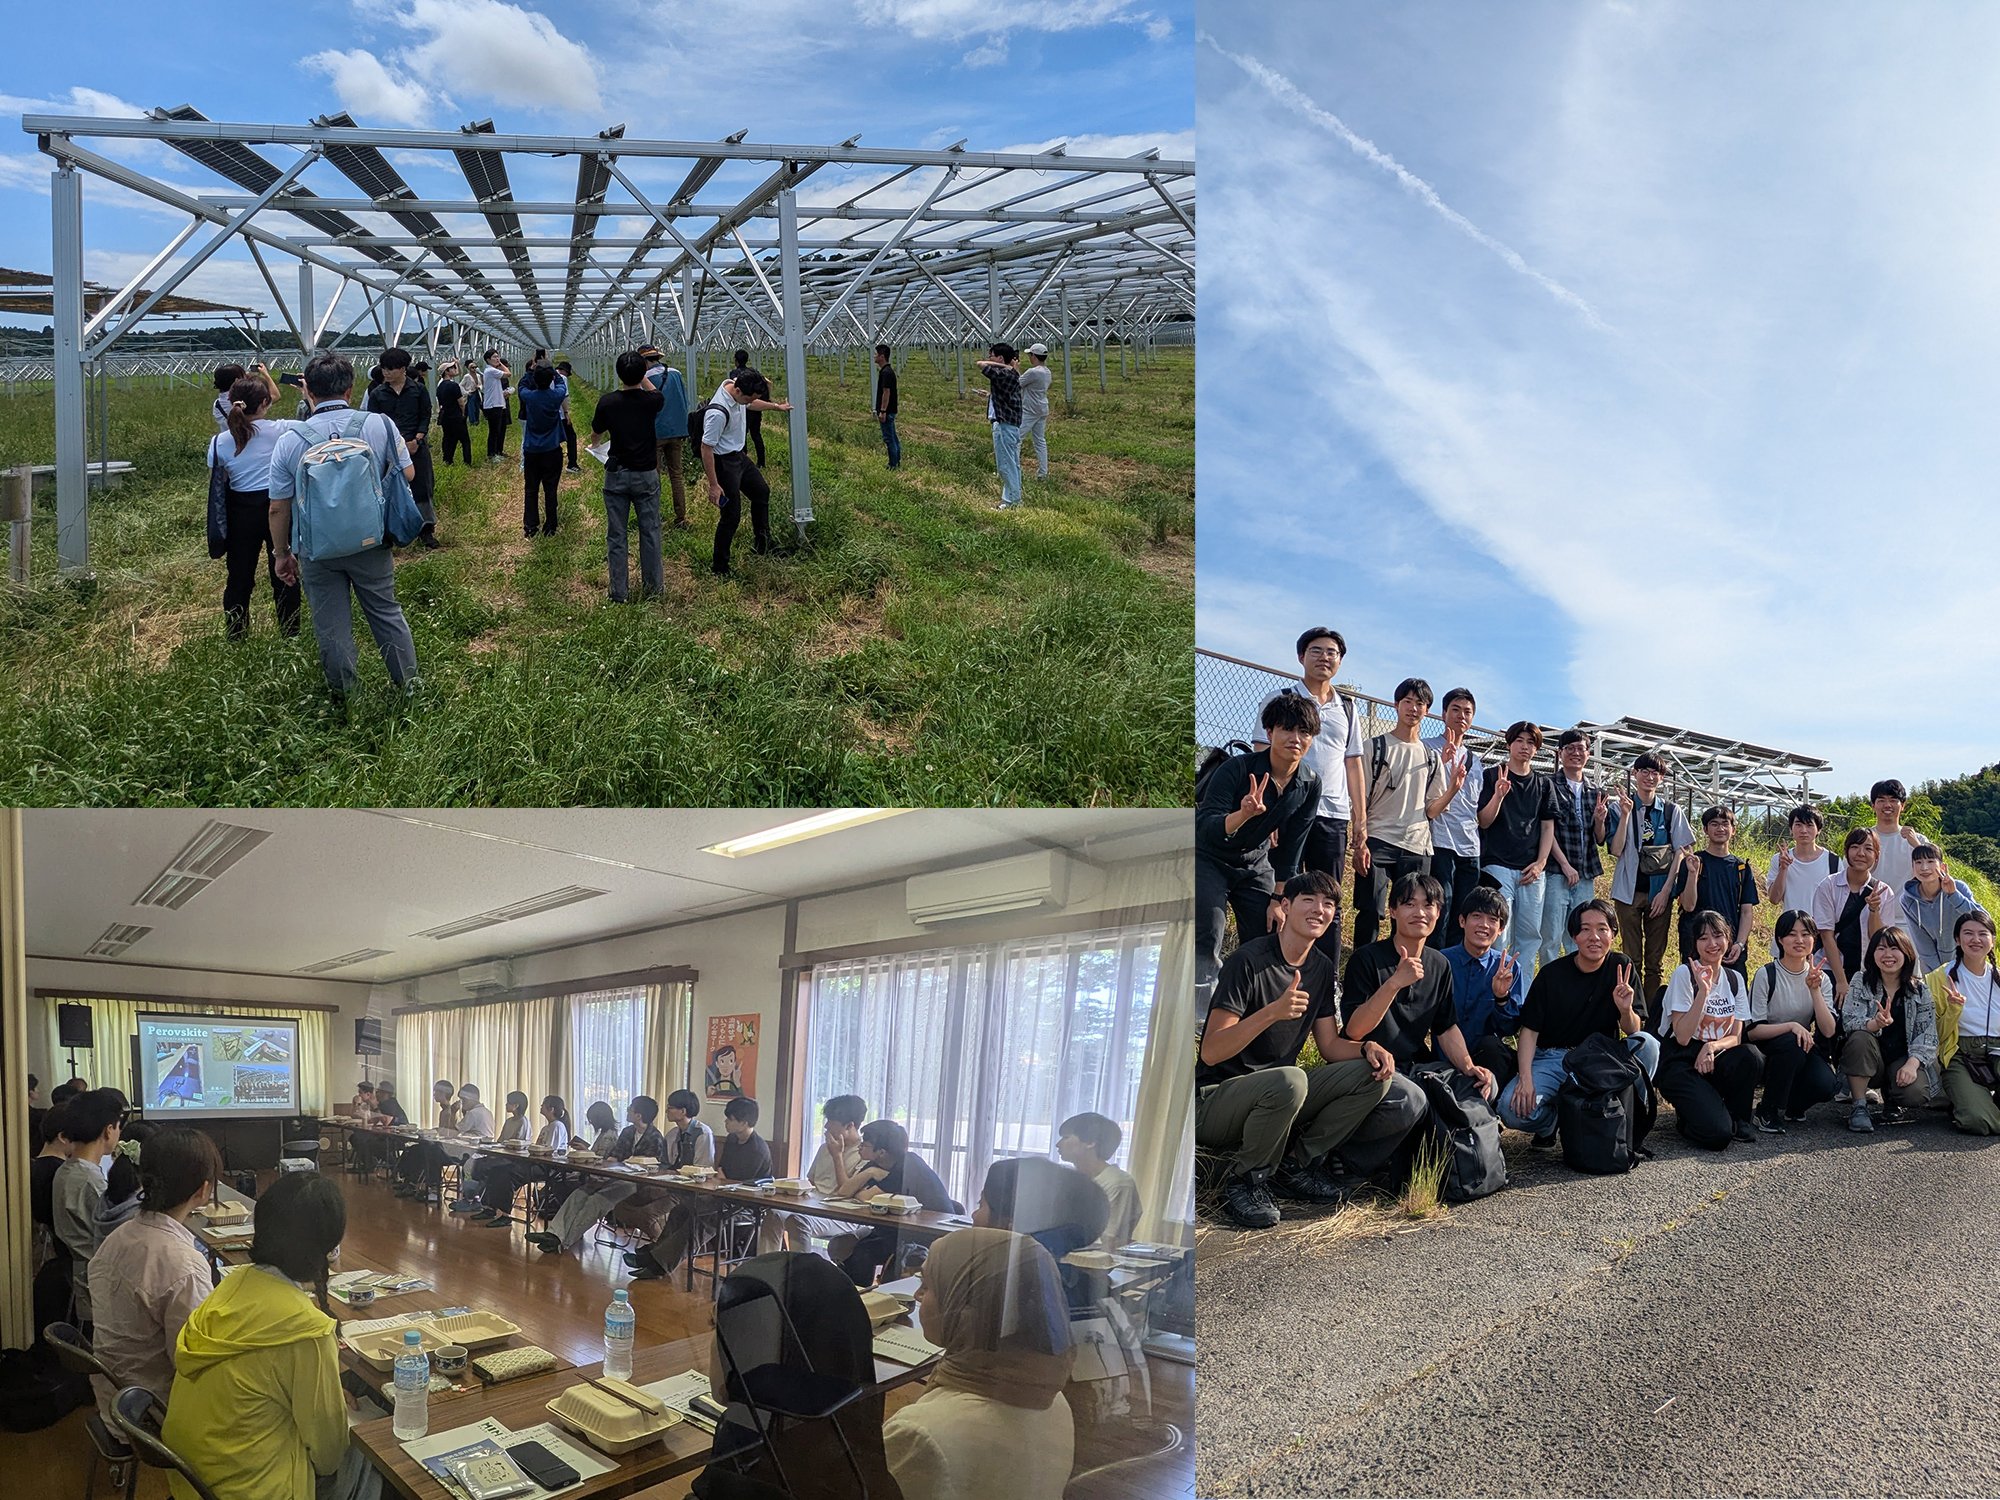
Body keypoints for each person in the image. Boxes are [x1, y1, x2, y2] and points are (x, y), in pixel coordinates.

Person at [164, 1172, 383, 1500]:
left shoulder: (227, 1290)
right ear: (329, 1244)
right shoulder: (306, 1330)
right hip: (259, 1489)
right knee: (379, 1447)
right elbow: (328, 1456)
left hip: (191, 1480)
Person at [1196, 870, 1395, 1228]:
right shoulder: (1248, 961)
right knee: (1290, 1080)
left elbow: (1330, 1046)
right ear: (1285, 907)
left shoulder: (1321, 967)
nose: (1319, 909)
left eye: (1329, 903)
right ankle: (1246, 1180)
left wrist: (1367, 1047)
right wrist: (1272, 1013)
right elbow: (1211, 1051)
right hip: (1217, 1098)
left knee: (1372, 1076)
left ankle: (1295, 1166)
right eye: (1309, 900)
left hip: (1280, 1095)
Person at [267, 354, 420, 699]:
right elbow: (407, 473)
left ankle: (347, 696)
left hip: (316, 548)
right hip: (371, 539)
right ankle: (409, 685)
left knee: (331, 625)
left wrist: (282, 554)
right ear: (351, 389)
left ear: (308, 391)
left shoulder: (291, 439)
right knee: (385, 611)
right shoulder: (379, 424)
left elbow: (278, 506)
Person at [884, 1229, 1075, 1500]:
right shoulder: (1055, 1403)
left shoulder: (920, 1433)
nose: (917, 1295)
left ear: (965, 1308)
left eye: (927, 1286)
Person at [1341, 872, 1499, 1176]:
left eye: (1429, 905)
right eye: (1409, 904)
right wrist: (1394, 983)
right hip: (1368, 1064)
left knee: (1476, 1087)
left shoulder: (1438, 964)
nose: (1420, 913)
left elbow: (1445, 1027)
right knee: (1411, 1099)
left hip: (1414, 1066)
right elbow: (1354, 1030)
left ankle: (1435, 1165)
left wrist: (1468, 1066)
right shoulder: (1368, 959)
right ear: (1393, 911)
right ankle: (1349, 1160)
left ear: (1439, 914)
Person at [1194, 692, 1322, 1003]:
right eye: (1286, 729)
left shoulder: (1309, 782)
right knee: (1208, 930)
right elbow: (1207, 827)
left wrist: (1279, 897)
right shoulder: (1236, 769)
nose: (1295, 738)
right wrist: (1244, 813)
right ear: (1269, 732)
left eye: (1304, 732)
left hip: (1255, 863)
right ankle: (1199, 1012)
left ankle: (1249, 1003)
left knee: (1265, 933)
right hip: (1207, 857)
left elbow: (1294, 845)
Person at [1496, 900, 1661, 1140]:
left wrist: (1625, 1010)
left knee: (1648, 1043)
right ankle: (1561, 1122)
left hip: (1601, 1058)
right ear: (1574, 936)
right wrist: (1526, 1079)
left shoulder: (1621, 967)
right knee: (1511, 1109)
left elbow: (1633, 1029)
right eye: (1585, 929)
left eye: (1602, 929)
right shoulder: (1551, 975)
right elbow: (1529, 1032)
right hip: (1554, 1058)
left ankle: (1624, 1116)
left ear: (1613, 934)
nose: (1594, 937)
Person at [1251, 627, 1366, 966]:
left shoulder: (1348, 707)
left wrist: (1360, 818)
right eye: (1316, 651)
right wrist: (1266, 812)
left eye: (1331, 652)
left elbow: (1353, 762)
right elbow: (1260, 752)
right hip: (1284, 811)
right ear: (1301, 657)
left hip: (1332, 814)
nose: (1324, 658)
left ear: (1340, 661)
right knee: (1276, 892)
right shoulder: (1280, 698)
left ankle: (1325, 978)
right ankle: (1269, 970)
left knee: (1327, 899)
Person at [88, 1127, 220, 1421]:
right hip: (154, 1409)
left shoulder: (119, 1237)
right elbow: (193, 1361)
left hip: (115, 1397)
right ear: (203, 1190)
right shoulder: (183, 1265)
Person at [1352, 679, 1455, 950]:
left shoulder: (1431, 757)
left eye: (1420, 703)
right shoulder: (1374, 747)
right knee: (1370, 912)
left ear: (1428, 710)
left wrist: (1454, 788)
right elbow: (1360, 799)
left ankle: (1404, 975)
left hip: (1417, 845)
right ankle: (1362, 974)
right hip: (1378, 839)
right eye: (1407, 701)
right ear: (1396, 705)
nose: (1413, 708)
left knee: (1411, 918)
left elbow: (1432, 809)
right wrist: (1359, 841)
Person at [627, 1095, 772, 1280]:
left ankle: (659, 1264)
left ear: (743, 1123)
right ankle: (654, 1255)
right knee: (681, 1209)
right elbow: (721, 1169)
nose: (725, 1122)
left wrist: (725, 1179)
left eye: (730, 1119)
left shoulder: (758, 1149)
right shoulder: (732, 1140)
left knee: (703, 1220)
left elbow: (741, 1184)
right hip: (724, 1195)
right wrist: (724, 1179)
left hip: (745, 1204)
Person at [1653, 912, 1765, 1148]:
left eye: (1718, 936)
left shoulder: (1734, 979)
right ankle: (1690, 1118)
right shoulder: (1685, 975)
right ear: (1694, 944)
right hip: (1681, 1061)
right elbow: (1682, 1037)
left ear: (1728, 939)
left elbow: (1735, 1036)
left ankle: (1738, 1117)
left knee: (1750, 1055)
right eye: (1703, 938)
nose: (1712, 944)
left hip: (1713, 1055)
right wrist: (1702, 993)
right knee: (1718, 1136)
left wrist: (1711, 1046)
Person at [207, 374, 301, 640]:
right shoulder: (283, 429)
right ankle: (291, 633)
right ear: (264, 402)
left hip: (240, 511)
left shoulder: (220, 442)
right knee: (286, 572)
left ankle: (237, 635)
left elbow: (219, 480)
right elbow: (315, 425)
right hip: (279, 506)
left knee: (239, 576)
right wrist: (307, 393)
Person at [1605, 753, 1696, 1018]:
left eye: (1655, 772)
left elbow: (1684, 849)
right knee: (1630, 958)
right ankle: (1633, 1014)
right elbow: (1616, 849)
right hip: (1628, 892)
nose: (1649, 776)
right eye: (1644, 771)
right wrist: (1624, 816)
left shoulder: (1670, 811)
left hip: (1660, 893)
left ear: (1662, 777)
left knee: (1654, 962)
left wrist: (1667, 890)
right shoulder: (1620, 807)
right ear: (1635, 774)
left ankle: (1653, 1017)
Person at [527, 1095, 665, 1254]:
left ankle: (562, 1241)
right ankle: (552, 1233)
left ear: (639, 1115)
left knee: (596, 1201)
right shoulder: (628, 1132)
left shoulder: (655, 1137)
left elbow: (650, 1167)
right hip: (615, 1176)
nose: (627, 1111)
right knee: (579, 1194)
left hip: (634, 1183)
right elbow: (615, 1156)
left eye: (630, 1109)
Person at [583, 349, 669, 603]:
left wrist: (596, 444)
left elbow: (596, 433)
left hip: (617, 474)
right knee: (650, 531)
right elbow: (654, 392)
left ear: (618, 374)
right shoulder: (651, 402)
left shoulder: (608, 402)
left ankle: (619, 592)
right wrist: (642, 375)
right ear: (643, 373)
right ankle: (654, 589)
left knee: (617, 534)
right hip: (645, 474)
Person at [1477, 721, 1557, 987]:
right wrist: (1499, 795)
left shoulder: (1544, 785)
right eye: (1520, 741)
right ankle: (1492, 989)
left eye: (1531, 742)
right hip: (1497, 865)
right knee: (1499, 933)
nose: (1525, 747)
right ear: (1509, 743)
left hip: (1532, 869)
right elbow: (1484, 821)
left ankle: (1519, 995)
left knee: (1529, 935)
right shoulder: (1491, 776)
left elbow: (1548, 827)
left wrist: (1541, 863)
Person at [1744, 911, 1840, 1132]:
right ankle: (1767, 1111)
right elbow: (1753, 1032)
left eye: (1805, 934)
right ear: (1780, 939)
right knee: (1791, 1042)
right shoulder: (1767, 974)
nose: (1799, 940)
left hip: (1800, 1046)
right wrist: (1792, 1026)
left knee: (1827, 1084)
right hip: (1768, 1047)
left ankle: (1791, 1106)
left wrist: (1814, 991)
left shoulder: (1821, 978)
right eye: (1791, 934)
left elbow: (1828, 1030)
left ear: (1813, 939)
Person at [1841, 925, 1942, 1133]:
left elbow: (1928, 1035)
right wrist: (1874, 1024)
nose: (1888, 955)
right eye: (1881, 948)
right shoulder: (1861, 981)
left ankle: (1891, 1096)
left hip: (1901, 1059)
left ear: (1906, 953)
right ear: (1872, 954)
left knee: (1915, 1094)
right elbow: (1849, 1021)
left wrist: (1913, 1065)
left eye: (1894, 948)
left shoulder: (1919, 989)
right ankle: (1859, 1106)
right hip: (1870, 1060)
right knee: (1860, 1037)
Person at [840, 1120, 961, 1286]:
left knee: (863, 1252)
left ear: (881, 1152)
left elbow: (867, 1197)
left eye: (865, 1145)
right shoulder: (876, 1163)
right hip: (895, 1229)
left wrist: (863, 1188)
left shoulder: (908, 1166)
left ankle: (858, 1300)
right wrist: (870, 1172)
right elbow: (844, 1192)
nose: (860, 1147)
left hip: (922, 1236)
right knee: (850, 1245)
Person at [700, 365, 794, 576]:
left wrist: (775, 406)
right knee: (731, 516)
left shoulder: (735, 388)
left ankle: (763, 544)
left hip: (740, 458)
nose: (750, 403)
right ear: (739, 392)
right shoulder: (717, 412)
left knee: (761, 492)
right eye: (749, 399)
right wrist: (714, 485)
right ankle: (720, 567)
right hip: (724, 464)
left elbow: (751, 405)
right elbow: (706, 448)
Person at [760, 1093, 871, 1257]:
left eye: (831, 1123)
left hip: (843, 1214)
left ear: (849, 1126)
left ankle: (801, 1274)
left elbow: (846, 1191)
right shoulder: (824, 1148)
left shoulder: (864, 1153)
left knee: (798, 1221)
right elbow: (811, 1182)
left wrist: (837, 1156)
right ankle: (764, 1271)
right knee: (773, 1214)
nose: (826, 1127)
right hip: (814, 1204)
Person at [53, 1086, 125, 1325]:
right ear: (108, 1130)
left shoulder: (67, 1169)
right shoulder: (90, 1181)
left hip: (84, 1272)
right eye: (118, 1126)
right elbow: (121, 1234)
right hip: (100, 1280)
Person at [1542, 729, 1612, 967]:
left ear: (1588, 754)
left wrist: (1600, 820)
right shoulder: (1548, 784)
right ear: (1560, 753)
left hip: (1585, 873)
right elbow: (1546, 830)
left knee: (1580, 936)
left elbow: (1600, 839)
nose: (1575, 753)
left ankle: (1578, 986)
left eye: (1580, 748)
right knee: (1550, 936)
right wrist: (1564, 865)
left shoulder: (1596, 791)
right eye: (1569, 748)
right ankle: (1550, 985)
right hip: (1555, 871)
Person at [1441, 885, 1523, 1079]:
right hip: (1443, 1057)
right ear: (1462, 920)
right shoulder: (1441, 963)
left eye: (1493, 920)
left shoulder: (1508, 968)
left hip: (1487, 1061)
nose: (1484, 925)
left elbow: (1509, 1029)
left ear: (1501, 929)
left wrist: (1501, 998)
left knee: (1493, 1047)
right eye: (1477, 916)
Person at [1931, 908, 2000, 1135]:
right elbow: (1934, 1034)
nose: (1976, 939)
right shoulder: (1940, 978)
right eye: (1968, 933)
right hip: (1960, 1053)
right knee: (1977, 1121)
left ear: (1993, 939)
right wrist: (1953, 1010)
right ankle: (1973, 1103)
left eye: (1983, 933)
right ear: (1957, 940)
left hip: (1997, 1050)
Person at [1424, 687, 1485, 940]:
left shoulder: (1476, 760)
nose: (1461, 716)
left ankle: (1454, 970)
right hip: (1440, 840)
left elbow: (1476, 806)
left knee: (1464, 912)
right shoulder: (1427, 748)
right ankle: (1434, 965)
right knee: (1442, 907)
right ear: (1443, 714)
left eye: (1467, 712)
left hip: (1470, 846)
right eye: (1455, 710)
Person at [1671, 807, 1759, 982]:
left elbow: (1746, 911)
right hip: (1697, 945)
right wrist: (1692, 874)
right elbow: (1688, 906)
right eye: (1714, 824)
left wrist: (1740, 944)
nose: (1720, 829)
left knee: (1734, 996)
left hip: (1730, 947)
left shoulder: (1741, 868)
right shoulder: (1693, 862)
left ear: (1733, 830)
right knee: (1696, 995)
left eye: (1725, 824)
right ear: (1705, 830)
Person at [1810, 827, 1899, 1000]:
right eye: (1855, 847)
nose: (1861, 853)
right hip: (1830, 970)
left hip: (1867, 971)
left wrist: (1874, 910)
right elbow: (1827, 936)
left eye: (1868, 848)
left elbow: (1879, 939)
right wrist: (1841, 981)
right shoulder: (1828, 886)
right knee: (1831, 1024)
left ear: (1876, 856)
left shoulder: (1884, 891)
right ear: (1846, 851)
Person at [364, 347, 438, 548]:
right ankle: (389, 530)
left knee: (422, 486)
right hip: (388, 450)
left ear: (403, 369)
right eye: (384, 369)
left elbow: (425, 413)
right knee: (388, 488)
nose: (386, 373)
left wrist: (418, 438)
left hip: (415, 444)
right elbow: (374, 422)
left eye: (390, 369)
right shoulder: (378, 394)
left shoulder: (418, 389)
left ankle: (426, 529)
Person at [1054, 1111, 1141, 1250]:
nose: (1058, 1144)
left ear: (1090, 1142)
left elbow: (1106, 1238)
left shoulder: (1119, 1183)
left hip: (1093, 1264)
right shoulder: (1067, 1179)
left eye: (1065, 1138)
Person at [1901, 843, 1979, 974]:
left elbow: (1982, 919)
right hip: (1932, 969)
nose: (1924, 868)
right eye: (1918, 862)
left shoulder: (1958, 888)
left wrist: (1953, 895)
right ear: (1913, 868)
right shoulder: (1908, 900)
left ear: (1942, 866)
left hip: (1966, 962)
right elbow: (1922, 944)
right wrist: (1941, 974)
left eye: (1930, 861)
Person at [517, 360, 570, 537]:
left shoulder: (530, 397)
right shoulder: (555, 396)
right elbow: (562, 384)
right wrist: (553, 372)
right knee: (550, 489)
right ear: (550, 379)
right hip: (552, 449)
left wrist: (530, 371)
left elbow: (521, 386)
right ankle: (551, 525)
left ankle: (531, 526)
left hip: (532, 450)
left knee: (531, 489)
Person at [640, 345, 690, 529]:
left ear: (645, 361)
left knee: (654, 476)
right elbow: (685, 400)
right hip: (677, 430)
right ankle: (681, 517)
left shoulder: (646, 378)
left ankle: (654, 516)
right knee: (676, 475)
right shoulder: (676, 373)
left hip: (656, 432)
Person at [1766, 805, 1841, 917]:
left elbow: (1840, 900)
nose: (1803, 830)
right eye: (1798, 825)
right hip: (1791, 930)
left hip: (1823, 930)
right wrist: (1783, 869)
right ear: (1791, 829)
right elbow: (1774, 899)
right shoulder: (1779, 859)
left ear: (1818, 830)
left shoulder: (1833, 861)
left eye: (1809, 825)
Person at [976, 342, 1025, 509]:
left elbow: (980, 364)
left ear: (1000, 358)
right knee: (1012, 463)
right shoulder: (1012, 375)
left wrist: (1005, 365)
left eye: (992, 355)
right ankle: (1014, 498)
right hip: (1010, 424)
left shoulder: (1005, 374)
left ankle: (1011, 502)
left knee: (1005, 464)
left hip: (1004, 425)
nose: (989, 358)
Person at [1864, 779, 1925, 894]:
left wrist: (1917, 846)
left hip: (1907, 911)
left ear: (1902, 805)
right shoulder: (1862, 839)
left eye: (1893, 800)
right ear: (1873, 805)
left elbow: (1934, 873)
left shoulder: (1918, 840)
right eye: (1881, 800)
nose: (1887, 805)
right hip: (1870, 909)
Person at [1018, 342, 1052, 480]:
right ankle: (1043, 472)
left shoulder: (1033, 372)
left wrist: (1015, 368)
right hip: (1042, 408)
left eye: (1030, 355)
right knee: (1039, 441)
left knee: (1016, 439)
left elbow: (1017, 383)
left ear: (1034, 356)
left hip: (1030, 409)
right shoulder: (1047, 371)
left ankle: (1014, 469)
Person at [732, 349, 767, 467]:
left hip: (744, 409)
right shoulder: (754, 372)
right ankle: (761, 462)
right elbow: (767, 383)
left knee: (742, 434)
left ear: (736, 361)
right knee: (756, 434)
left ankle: (743, 460)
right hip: (756, 409)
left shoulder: (734, 373)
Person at [434, 362, 471, 466]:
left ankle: (447, 460)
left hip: (446, 416)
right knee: (465, 440)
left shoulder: (440, 386)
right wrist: (463, 414)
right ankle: (467, 461)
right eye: (452, 368)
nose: (455, 369)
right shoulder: (453, 385)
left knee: (449, 439)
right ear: (447, 371)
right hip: (456, 416)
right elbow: (461, 402)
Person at [873, 343, 902, 469]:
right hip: (890, 410)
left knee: (889, 439)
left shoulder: (886, 373)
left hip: (887, 411)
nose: (874, 356)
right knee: (893, 437)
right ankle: (896, 461)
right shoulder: (888, 371)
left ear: (882, 356)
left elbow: (886, 392)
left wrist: (882, 411)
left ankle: (893, 465)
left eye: (876, 354)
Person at [481, 349, 512, 460]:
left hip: (497, 404)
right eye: (494, 357)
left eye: (498, 356)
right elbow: (508, 373)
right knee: (494, 430)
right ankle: (491, 454)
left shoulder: (492, 371)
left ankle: (497, 452)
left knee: (498, 429)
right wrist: (501, 364)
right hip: (492, 405)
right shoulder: (490, 371)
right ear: (488, 360)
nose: (497, 359)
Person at [211, 363, 246, 431]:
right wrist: (265, 374)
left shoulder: (217, 403)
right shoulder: (245, 399)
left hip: (227, 439)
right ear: (237, 381)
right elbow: (273, 396)